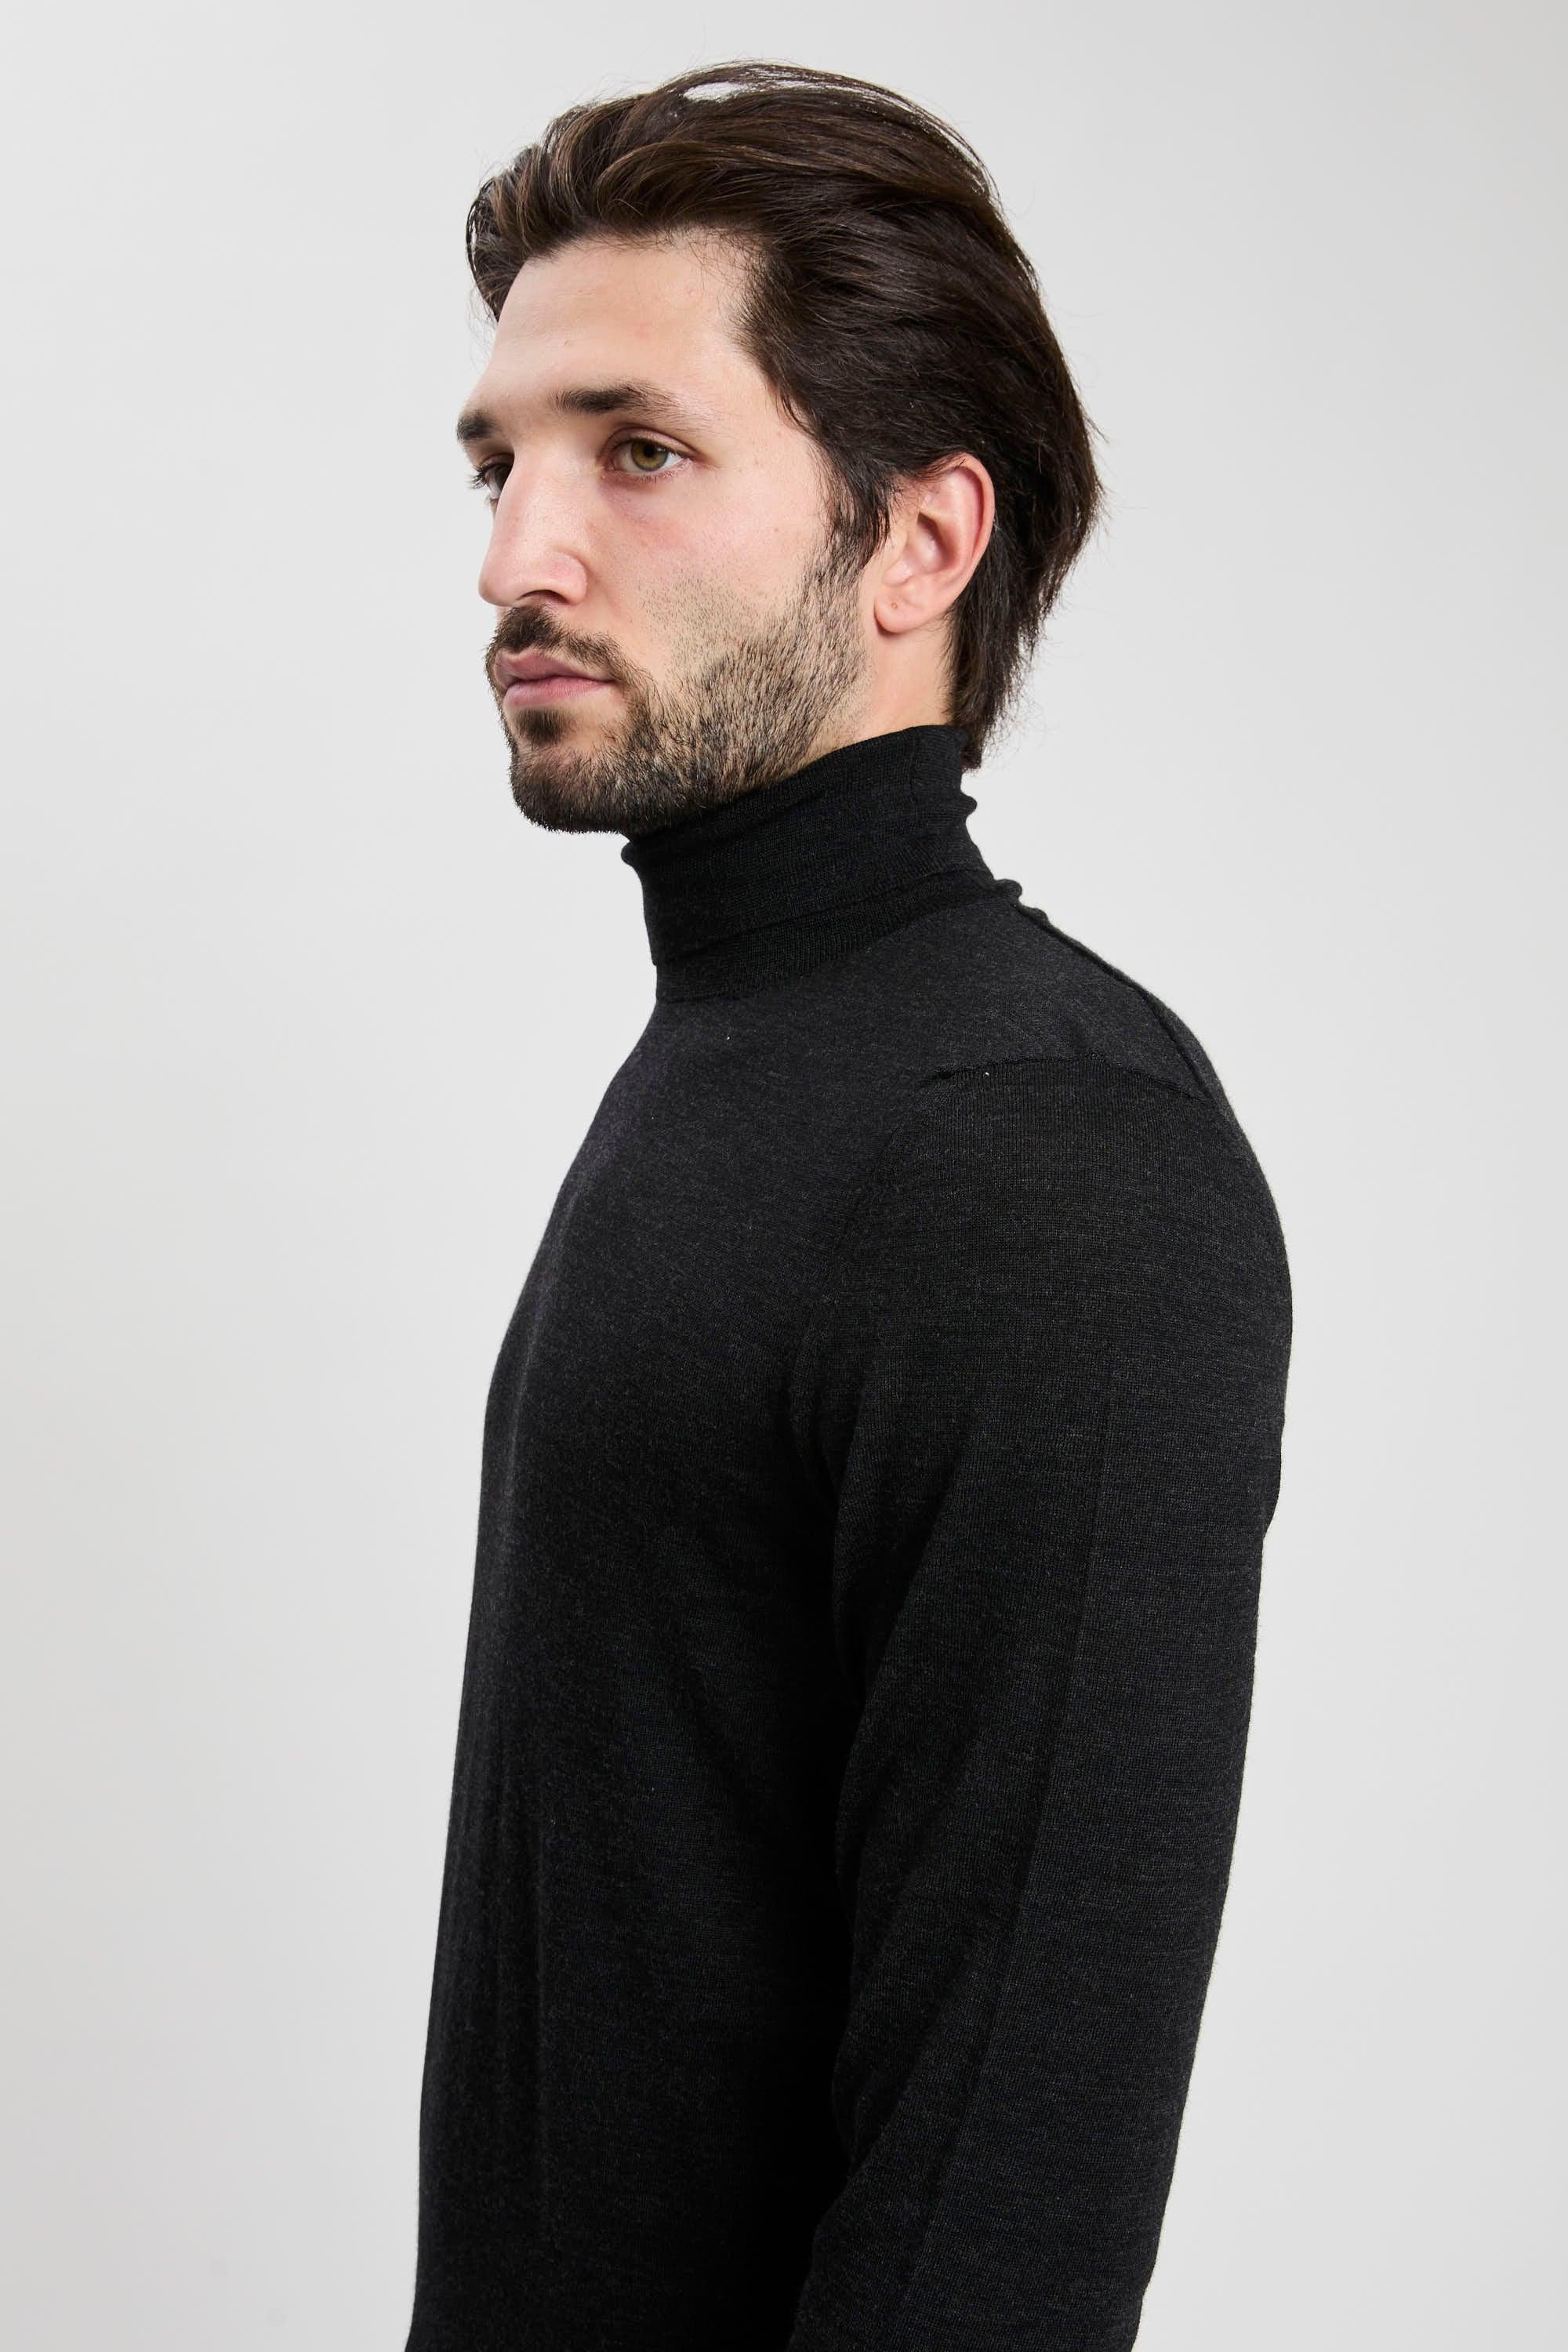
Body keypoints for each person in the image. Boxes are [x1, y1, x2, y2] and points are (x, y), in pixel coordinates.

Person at [405, 59, 1293, 2352]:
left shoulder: (1042, 1141)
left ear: (918, 541)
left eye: (639, 450)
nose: (517, 556)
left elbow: (1006, 2193)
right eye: (500, 464)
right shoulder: (743, 1058)